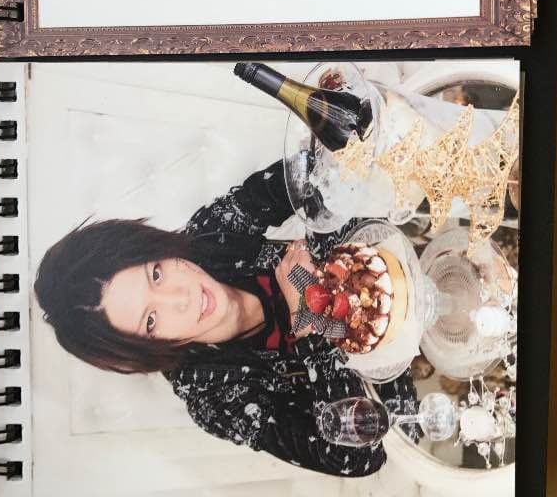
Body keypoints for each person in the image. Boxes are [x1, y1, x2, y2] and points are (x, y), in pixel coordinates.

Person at [35, 160, 420, 478]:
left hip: (402, 267)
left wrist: (322, 248)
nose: (181, 298)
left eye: (156, 273)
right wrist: (307, 320)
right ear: (143, 349)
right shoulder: (212, 396)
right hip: (405, 385)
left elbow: (316, 172)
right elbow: (358, 457)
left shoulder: (210, 237)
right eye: (151, 321)